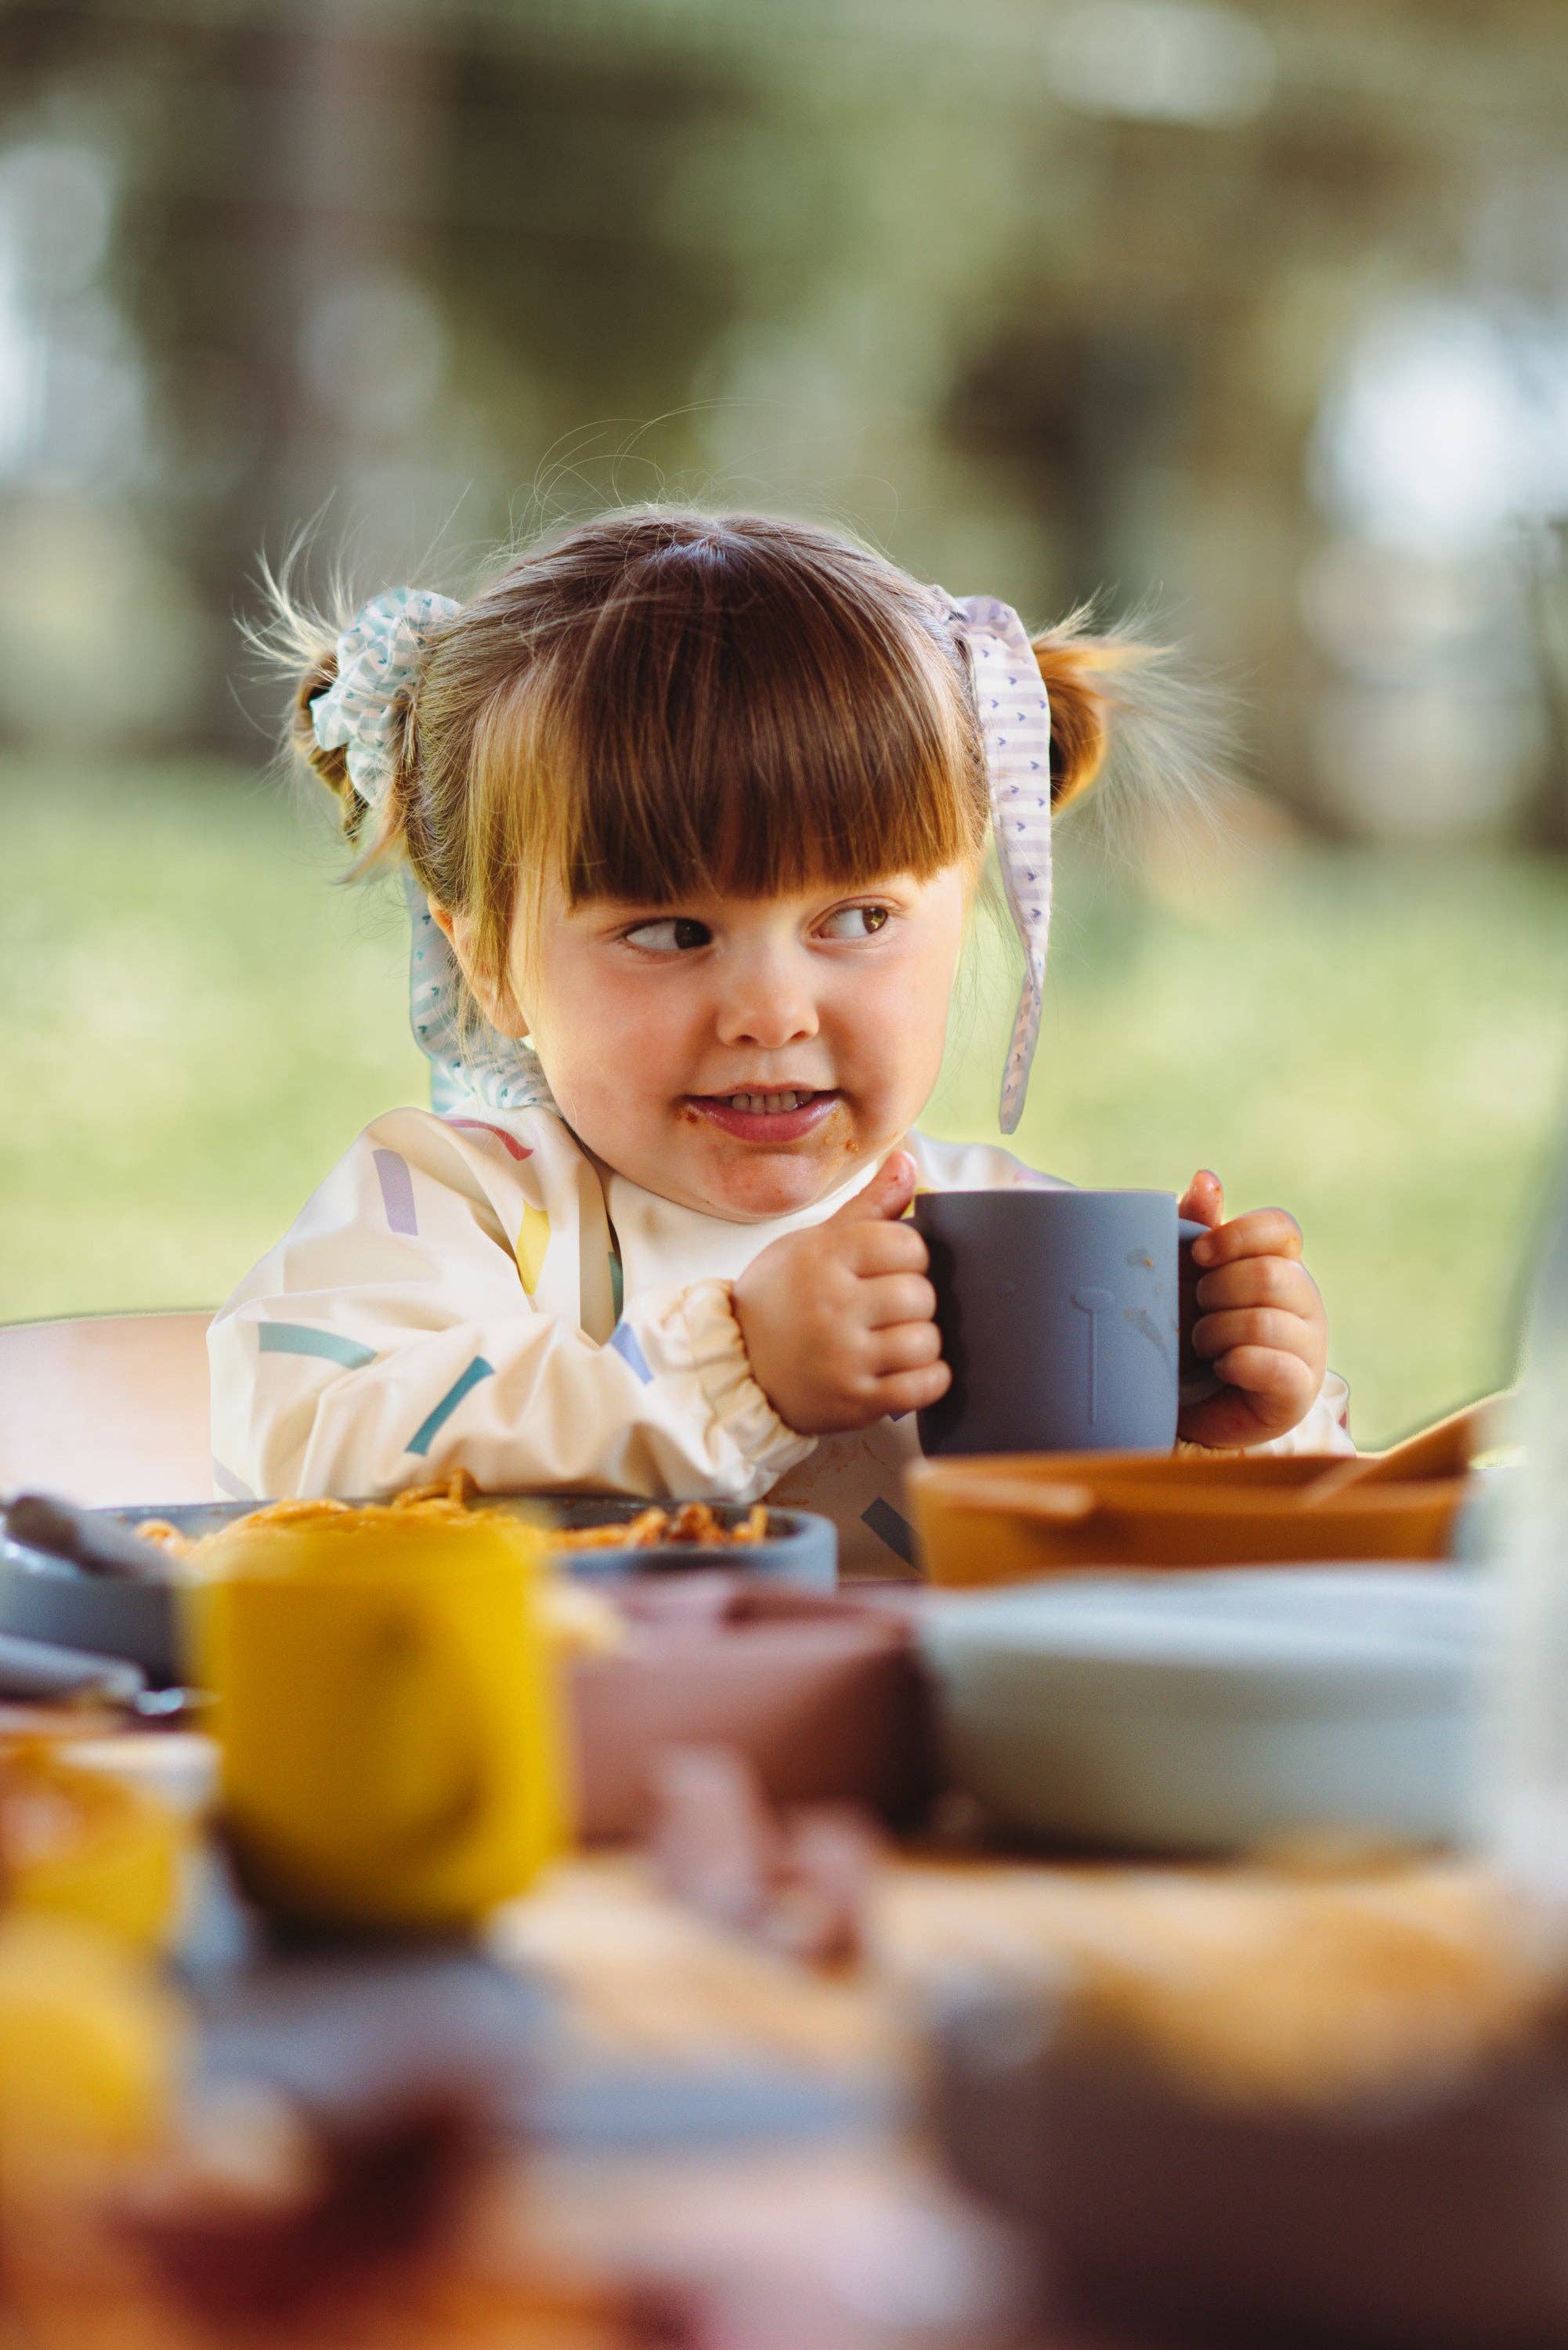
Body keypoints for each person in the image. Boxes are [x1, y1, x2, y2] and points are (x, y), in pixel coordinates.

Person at [209, 509, 1349, 1573]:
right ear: (489, 962)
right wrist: (733, 1368)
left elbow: (1205, 1611)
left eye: (855, 920)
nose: (771, 1012)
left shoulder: (1014, 1241)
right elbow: (308, 1443)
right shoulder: (461, 1205)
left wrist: (1233, 1442)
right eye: (672, 931)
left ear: (962, 917)